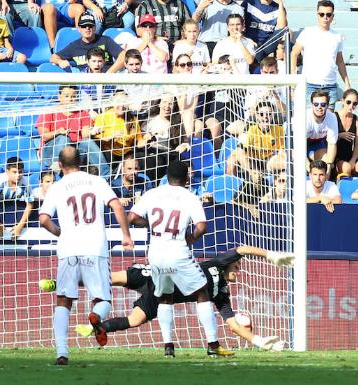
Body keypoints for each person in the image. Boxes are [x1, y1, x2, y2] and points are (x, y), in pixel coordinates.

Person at [41, 245, 293, 351]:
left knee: (134, 321)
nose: (239, 270)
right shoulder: (219, 263)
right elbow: (242, 249)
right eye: (237, 268)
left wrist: (259, 340)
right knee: (108, 279)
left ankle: (97, 326)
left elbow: (233, 324)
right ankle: (60, 283)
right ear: (230, 267)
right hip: (156, 275)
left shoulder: (221, 296)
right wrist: (269, 255)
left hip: (162, 296)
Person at [39, 146, 133, 365]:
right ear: (81, 162)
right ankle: (96, 317)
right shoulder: (96, 181)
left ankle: (62, 354)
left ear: (60, 166)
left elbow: (43, 219)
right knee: (103, 299)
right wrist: (126, 236)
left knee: (63, 300)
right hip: (95, 248)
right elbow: (117, 205)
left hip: (68, 250)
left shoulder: (57, 187)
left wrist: (59, 232)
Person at [127, 160, 232, 357]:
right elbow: (202, 226)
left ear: (167, 176)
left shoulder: (153, 193)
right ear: (186, 178)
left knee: (165, 297)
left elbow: (131, 217)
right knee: (202, 293)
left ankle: (168, 347)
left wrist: (150, 225)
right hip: (177, 251)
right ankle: (213, 345)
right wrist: (191, 238)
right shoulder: (189, 196)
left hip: (156, 252)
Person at [36, 84, 110, 178]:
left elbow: (85, 135)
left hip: (75, 153)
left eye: (73, 96)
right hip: (51, 152)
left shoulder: (83, 113)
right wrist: (58, 132)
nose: (70, 99)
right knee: (64, 139)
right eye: (67, 96)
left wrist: (92, 132)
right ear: (59, 97)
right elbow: (44, 136)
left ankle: (106, 177)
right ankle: (58, 171)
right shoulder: (49, 112)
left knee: (87, 141)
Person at [290, 0, 349, 108]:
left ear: (332, 16)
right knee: (309, 121)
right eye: (322, 14)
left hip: (330, 86)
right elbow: (294, 53)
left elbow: (340, 61)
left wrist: (347, 83)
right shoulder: (308, 32)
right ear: (317, 14)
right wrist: (294, 77)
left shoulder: (337, 36)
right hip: (310, 85)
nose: (325, 17)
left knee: (328, 121)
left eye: (328, 14)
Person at [50, 12, 125, 72]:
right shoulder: (74, 46)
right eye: (84, 26)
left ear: (95, 28)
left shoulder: (106, 40)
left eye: (90, 25)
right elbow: (53, 57)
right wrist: (60, 61)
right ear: (79, 29)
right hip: (85, 85)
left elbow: (124, 55)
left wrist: (109, 74)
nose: (87, 28)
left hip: (108, 83)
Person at [91, 90, 145, 173]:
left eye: (124, 102)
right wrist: (112, 136)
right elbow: (96, 141)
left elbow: (139, 140)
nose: (121, 105)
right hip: (109, 153)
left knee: (143, 158)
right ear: (112, 102)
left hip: (127, 154)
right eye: (118, 102)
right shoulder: (103, 117)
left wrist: (147, 141)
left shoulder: (133, 119)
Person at [0, 157, 34, 240]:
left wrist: (20, 226)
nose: (18, 175)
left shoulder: (25, 183)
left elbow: (30, 204)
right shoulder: (1, 181)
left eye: (20, 172)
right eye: (14, 172)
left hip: (13, 210)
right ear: (7, 171)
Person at [334, 89, 358, 178]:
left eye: (355, 103)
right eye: (348, 102)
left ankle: (356, 189)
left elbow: (357, 145)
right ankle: (345, 190)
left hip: (350, 156)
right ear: (342, 101)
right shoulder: (333, 117)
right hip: (335, 158)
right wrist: (339, 135)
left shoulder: (357, 121)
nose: (351, 106)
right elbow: (326, 139)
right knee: (346, 168)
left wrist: (353, 160)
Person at [305, 90, 338, 164]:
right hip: (297, 143)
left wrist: (329, 165)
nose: (319, 107)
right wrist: (307, 166)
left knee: (326, 162)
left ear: (327, 105)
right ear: (311, 105)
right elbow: (298, 147)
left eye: (323, 104)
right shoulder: (305, 117)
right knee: (292, 162)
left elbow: (332, 144)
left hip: (316, 143)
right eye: (316, 104)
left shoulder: (332, 117)